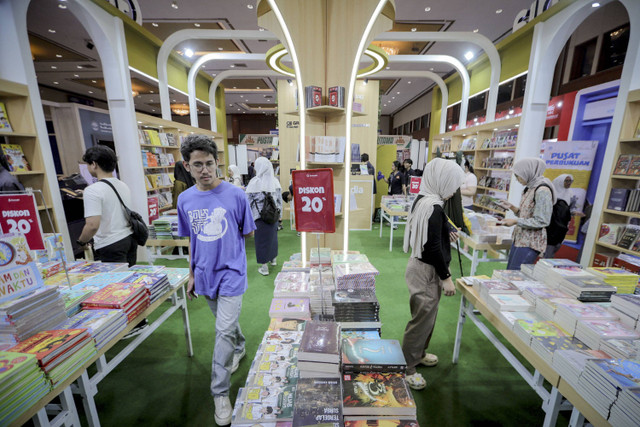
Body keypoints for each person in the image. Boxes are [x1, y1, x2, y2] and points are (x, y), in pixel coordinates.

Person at [176, 135, 256, 426]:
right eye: (197, 165)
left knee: (222, 330)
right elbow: (191, 240)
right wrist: (192, 273)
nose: (205, 169)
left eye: (209, 163)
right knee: (227, 326)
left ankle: (219, 393)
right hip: (204, 274)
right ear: (187, 166)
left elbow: (248, 232)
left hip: (232, 272)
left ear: (216, 162)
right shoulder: (184, 199)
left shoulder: (236, 195)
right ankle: (240, 346)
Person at [401, 158, 466, 391]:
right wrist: (446, 277)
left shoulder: (424, 198)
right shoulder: (435, 207)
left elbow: (430, 228)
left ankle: (418, 354)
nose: (453, 191)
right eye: (452, 184)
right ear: (442, 181)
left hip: (420, 267)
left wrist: (445, 227)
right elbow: (432, 248)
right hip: (427, 270)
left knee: (427, 316)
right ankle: (408, 366)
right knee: (421, 319)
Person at [77, 145, 137, 266]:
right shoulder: (122, 184)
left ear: (94, 164)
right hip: (129, 238)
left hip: (110, 243)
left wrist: (81, 242)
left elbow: (92, 225)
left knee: (117, 283)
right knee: (131, 281)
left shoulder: (92, 190)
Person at [499, 158, 555, 270]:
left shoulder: (542, 190)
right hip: (520, 239)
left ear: (528, 172)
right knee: (510, 273)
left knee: (515, 275)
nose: (517, 179)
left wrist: (515, 221)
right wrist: (512, 208)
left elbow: (542, 220)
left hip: (530, 242)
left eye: (518, 176)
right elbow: (526, 214)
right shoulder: (530, 188)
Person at [246, 157, 283, 276]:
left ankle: (264, 267)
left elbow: (248, 202)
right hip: (273, 216)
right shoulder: (275, 182)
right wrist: (280, 216)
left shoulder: (254, 182)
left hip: (259, 217)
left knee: (261, 241)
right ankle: (273, 260)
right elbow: (279, 201)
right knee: (273, 238)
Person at [544, 174, 575, 258]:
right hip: (550, 226)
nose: (569, 183)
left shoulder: (571, 194)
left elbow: (570, 210)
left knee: (555, 248)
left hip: (562, 226)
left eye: (570, 181)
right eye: (566, 181)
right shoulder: (550, 193)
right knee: (548, 251)